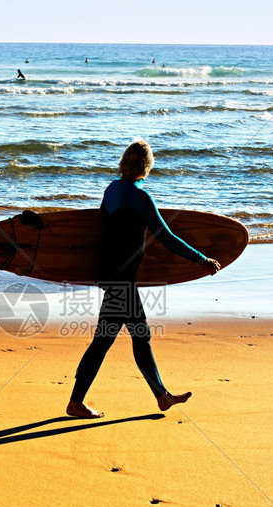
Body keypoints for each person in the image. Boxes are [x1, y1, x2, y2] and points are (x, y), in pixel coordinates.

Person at [66, 139, 221, 419]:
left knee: (111, 340)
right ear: (146, 166)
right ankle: (80, 402)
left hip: (109, 272)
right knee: (133, 336)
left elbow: (102, 230)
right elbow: (166, 238)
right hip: (123, 278)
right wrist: (202, 259)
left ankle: (156, 396)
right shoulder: (141, 197)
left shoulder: (111, 189)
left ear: (125, 162)